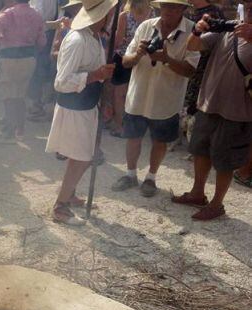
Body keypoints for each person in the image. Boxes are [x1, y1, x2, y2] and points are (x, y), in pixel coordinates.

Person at [172, 5, 252, 220]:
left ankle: (217, 204)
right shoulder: (228, 30)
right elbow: (193, 46)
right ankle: (197, 193)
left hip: (237, 111)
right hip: (209, 102)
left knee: (224, 159)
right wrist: (198, 30)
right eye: (248, 9)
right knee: (201, 150)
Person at [111, 0, 198, 197]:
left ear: (183, 9)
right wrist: (138, 54)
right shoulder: (146, 26)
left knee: (160, 141)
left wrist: (166, 60)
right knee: (133, 137)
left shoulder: (192, 32)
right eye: (165, 6)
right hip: (139, 95)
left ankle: (151, 177)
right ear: (159, 7)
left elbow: (190, 70)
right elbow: (125, 61)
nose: (168, 10)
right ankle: (130, 174)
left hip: (167, 99)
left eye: (174, 7)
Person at [45, 0, 116, 225]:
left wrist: (101, 80)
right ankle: (60, 207)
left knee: (82, 155)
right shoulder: (76, 40)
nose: (110, 18)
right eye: (107, 14)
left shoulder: (93, 37)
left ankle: (69, 193)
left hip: (87, 104)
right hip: (75, 107)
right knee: (82, 157)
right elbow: (61, 82)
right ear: (100, 17)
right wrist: (95, 76)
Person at [0, 0, 46, 140]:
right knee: (20, 94)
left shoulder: (8, 13)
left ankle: (10, 131)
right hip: (29, 58)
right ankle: (20, 129)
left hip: (8, 57)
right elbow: (42, 41)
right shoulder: (36, 15)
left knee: (8, 95)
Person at [110, 0, 155, 136]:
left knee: (119, 95)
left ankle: (119, 127)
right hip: (143, 59)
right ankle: (135, 127)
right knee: (138, 94)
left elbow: (117, 41)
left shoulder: (125, 15)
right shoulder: (152, 14)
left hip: (124, 57)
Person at [183, 0, 224, 115]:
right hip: (190, 63)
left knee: (194, 108)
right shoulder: (192, 11)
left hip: (201, 69)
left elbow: (211, 45)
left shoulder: (212, 13)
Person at [26, 0, 58, 120]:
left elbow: (38, 16)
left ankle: (38, 105)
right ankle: (38, 105)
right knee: (40, 70)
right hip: (44, 33)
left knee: (41, 70)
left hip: (47, 33)